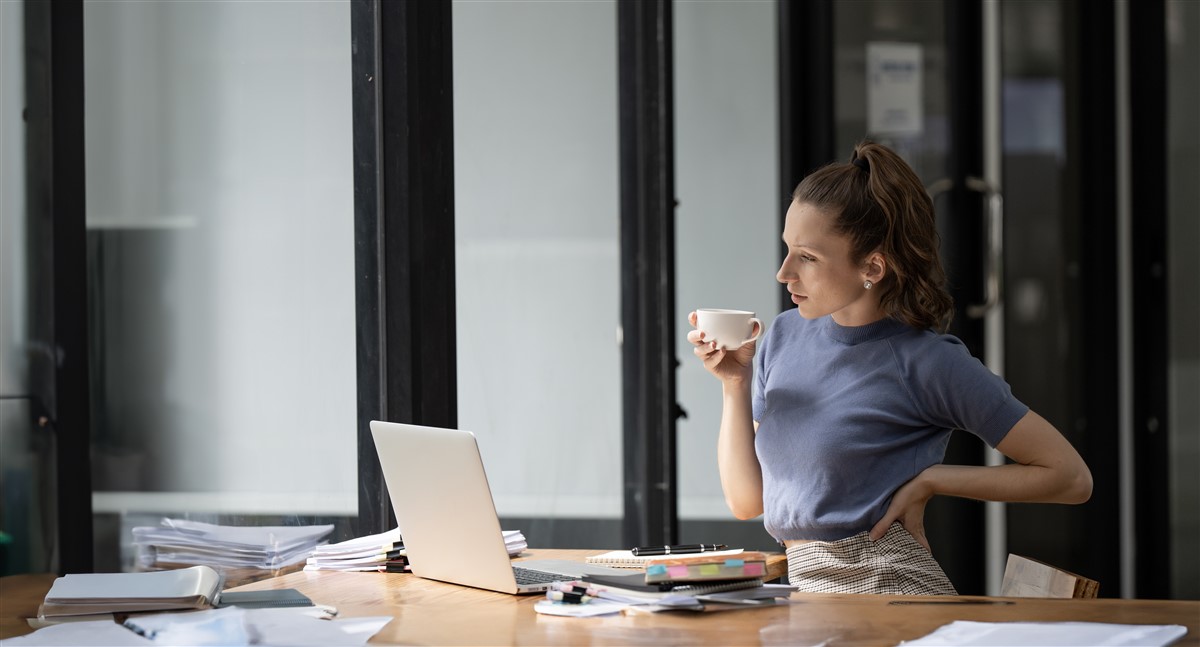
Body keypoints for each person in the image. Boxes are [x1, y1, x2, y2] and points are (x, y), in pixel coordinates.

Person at [687, 140, 1092, 595]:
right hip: (803, 589)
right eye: (787, 249)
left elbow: (1070, 477)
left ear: (873, 268)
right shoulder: (782, 336)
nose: (784, 273)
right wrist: (734, 383)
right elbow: (747, 501)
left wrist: (934, 480)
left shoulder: (928, 362)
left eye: (808, 257)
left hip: (888, 588)